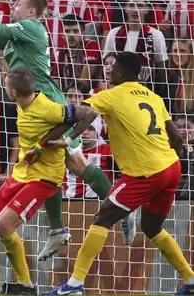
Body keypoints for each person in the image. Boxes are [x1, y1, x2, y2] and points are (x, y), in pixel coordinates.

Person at [0, 0, 135, 261]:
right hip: (32, 107)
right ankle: (57, 229)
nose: (13, 6)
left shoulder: (30, 26)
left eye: (18, 4)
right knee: (49, 167)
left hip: (46, 103)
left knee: (76, 164)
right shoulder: (17, 33)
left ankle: (122, 209)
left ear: (31, 11)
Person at [0, 67, 98, 295]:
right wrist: (41, 145)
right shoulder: (23, 105)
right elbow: (60, 123)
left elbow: (88, 114)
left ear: (12, 91)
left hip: (43, 178)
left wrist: (67, 140)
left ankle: (26, 285)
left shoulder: (45, 107)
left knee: (4, 224)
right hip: (22, 172)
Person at [46, 52, 194, 296]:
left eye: (112, 67)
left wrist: (68, 139)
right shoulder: (154, 96)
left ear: (122, 73)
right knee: (151, 226)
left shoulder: (110, 95)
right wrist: (169, 164)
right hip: (171, 167)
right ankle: (190, 281)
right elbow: (177, 137)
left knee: (103, 217)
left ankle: (74, 284)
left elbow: (86, 114)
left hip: (147, 172)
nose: (108, 71)